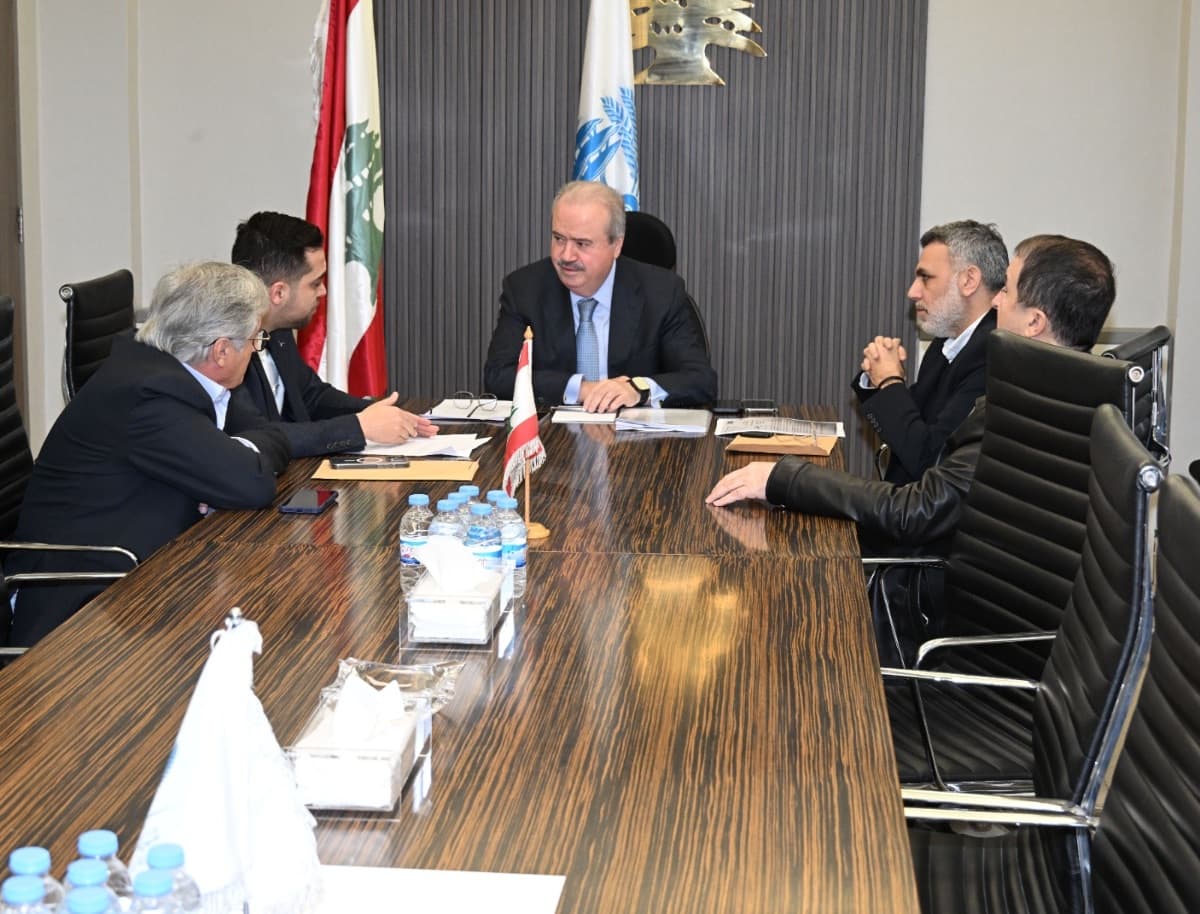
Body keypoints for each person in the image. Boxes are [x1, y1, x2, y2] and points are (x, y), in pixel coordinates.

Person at [706, 235, 1117, 553]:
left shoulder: (1021, 409)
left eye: (1006, 291)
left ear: (1035, 322)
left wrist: (784, 477)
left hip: (932, 596)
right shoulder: (1079, 400)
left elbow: (916, 505)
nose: (996, 302)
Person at [7, 262, 292, 646]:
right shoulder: (149, 394)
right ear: (222, 350)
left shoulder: (165, 369)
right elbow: (252, 482)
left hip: (136, 574)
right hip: (83, 607)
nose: (257, 350)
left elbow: (266, 438)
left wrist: (231, 460)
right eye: (256, 340)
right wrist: (231, 464)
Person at [483, 181, 717, 411]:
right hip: (552, 433)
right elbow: (499, 376)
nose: (566, 255)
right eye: (559, 239)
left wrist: (638, 388)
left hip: (635, 433)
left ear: (617, 245)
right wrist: (581, 389)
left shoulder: (661, 292)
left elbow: (699, 379)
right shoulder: (525, 289)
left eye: (582, 243)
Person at [230, 211, 437, 456]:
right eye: (315, 283)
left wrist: (377, 412)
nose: (323, 291)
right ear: (278, 293)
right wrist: (359, 427)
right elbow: (258, 435)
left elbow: (311, 395)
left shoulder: (279, 332)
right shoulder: (227, 347)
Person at [853, 220, 1007, 484]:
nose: (912, 292)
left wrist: (890, 382)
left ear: (969, 280)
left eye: (925, 278)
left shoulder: (993, 356)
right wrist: (877, 378)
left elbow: (928, 460)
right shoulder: (946, 339)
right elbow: (912, 422)